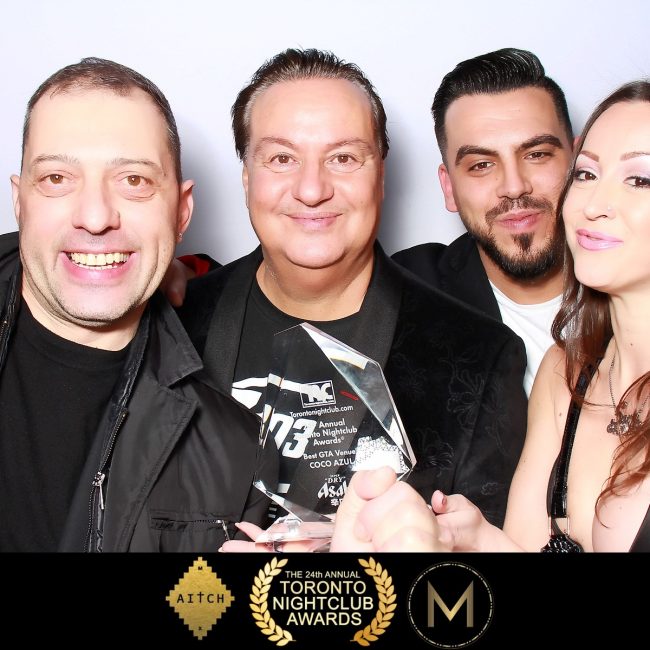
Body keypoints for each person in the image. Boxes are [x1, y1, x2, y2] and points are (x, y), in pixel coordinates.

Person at [180, 48, 528, 529]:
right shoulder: (171, 326)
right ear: (247, 177)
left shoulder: (478, 358)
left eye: (343, 158)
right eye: (281, 158)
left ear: (380, 177)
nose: (311, 189)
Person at [340, 81, 650, 553]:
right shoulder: (563, 373)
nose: (593, 205)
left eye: (640, 180)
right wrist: (477, 539)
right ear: (448, 185)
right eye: (588, 175)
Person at [0, 57, 266, 552]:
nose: (95, 217)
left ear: (181, 212)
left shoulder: (235, 452)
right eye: (57, 178)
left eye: (134, 181)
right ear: (20, 201)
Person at [393, 48, 574, 395]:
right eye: (481, 165)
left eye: (536, 155)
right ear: (449, 187)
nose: (514, 186)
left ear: (579, 164)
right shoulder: (403, 293)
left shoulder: (636, 281)